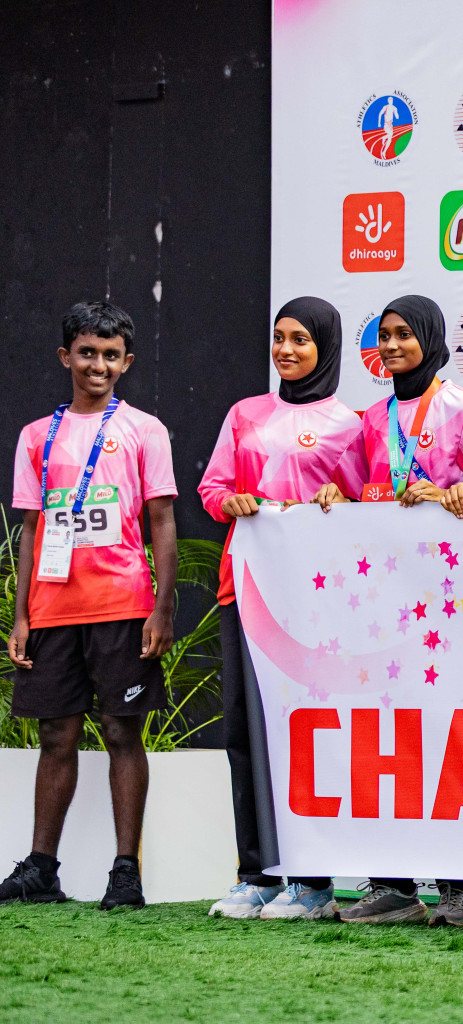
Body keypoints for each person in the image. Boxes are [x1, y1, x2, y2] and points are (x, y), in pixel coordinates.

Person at [1, 301, 177, 911]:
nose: (96, 364)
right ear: (65, 356)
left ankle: (125, 872)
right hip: (53, 609)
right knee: (56, 735)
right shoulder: (36, 436)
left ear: (125, 362)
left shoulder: (144, 429)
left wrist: (161, 605)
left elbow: (161, 518)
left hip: (123, 604)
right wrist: (22, 613)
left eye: (109, 355)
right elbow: (31, 527)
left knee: (122, 732)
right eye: (86, 352)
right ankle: (42, 868)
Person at [198, 297, 364, 921]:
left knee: (308, 738)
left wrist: (340, 497)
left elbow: (366, 499)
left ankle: (314, 882)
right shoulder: (245, 413)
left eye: (301, 339)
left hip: (316, 605)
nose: (286, 350)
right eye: (279, 337)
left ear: (327, 346)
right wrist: (232, 502)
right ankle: (256, 873)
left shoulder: (351, 424)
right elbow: (212, 488)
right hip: (242, 593)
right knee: (244, 735)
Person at [338, 294, 463, 927]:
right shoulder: (371, 418)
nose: (396, 345)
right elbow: (354, 491)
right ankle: (393, 884)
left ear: (432, 338)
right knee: (391, 738)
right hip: (387, 602)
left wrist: (458, 493)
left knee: (456, 737)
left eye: (407, 334)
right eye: (387, 335)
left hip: (452, 599)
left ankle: (460, 892)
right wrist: (332, 494)